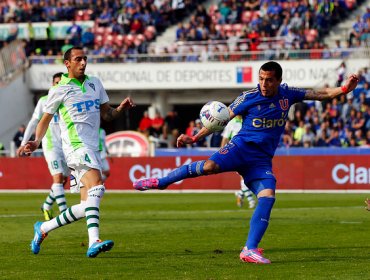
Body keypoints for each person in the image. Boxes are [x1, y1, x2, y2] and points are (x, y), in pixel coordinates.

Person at [133, 61, 359, 264]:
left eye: (269, 80)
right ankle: (161, 182)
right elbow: (220, 119)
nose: (264, 84)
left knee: (268, 196)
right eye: (261, 78)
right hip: (240, 149)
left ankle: (249, 249)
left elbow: (319, 93)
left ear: (278, 81)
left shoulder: (287, 95)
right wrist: (194, 138)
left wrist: (342, 89)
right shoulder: (248, 97)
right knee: (209, 167)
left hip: (261, 160)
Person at [23, 47, 135, 258]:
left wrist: (120, 110)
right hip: (75, 146)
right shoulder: (59, 89)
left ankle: (43, 228)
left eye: (85, 58)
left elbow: (108, 115)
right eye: (78, 59)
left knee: (86, 205)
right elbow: (44, 120)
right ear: (67, 64)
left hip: (92, 147)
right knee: (98, 187)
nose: (83, 62)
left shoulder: (96, 83)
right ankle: (94, 241)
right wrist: (36, 141)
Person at [17, 72, 69, 221]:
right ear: (52, 85)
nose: (58, 85)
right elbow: (34, 122)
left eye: (61, 82)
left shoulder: (67, 101)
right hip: (50, 145)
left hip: (66, 146)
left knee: (62, 180)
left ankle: (46, 205)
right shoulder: (44, 101)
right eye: (56, 82)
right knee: (58, 177)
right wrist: (23, 143)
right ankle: (64, 211)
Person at [220, 115, 255, 209]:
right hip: (236, 152)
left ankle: (240, 194)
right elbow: (225, 138)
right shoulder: (232, 122)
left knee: (250, 176)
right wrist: (221, 153)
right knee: (243, 176)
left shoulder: (248, 120)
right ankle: (251, 200)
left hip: (248, 151)